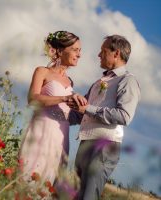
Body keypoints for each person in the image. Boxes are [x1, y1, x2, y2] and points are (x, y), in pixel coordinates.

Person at [68, 35, 141, 200]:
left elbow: (124, 116)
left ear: (116, 54)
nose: (99, 55)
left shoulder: (128, 81)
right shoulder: (99, 81)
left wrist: (87, 108)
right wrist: (58, 116)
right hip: (85, 143)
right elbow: (82, 113)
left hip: (104, 147)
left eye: (103, 51)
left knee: (88, 196)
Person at [18, 31, 87, 186]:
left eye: (80, 50)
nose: (79, 54)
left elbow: (70, 115)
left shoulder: (70, 82)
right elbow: (32, 99)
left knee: (48, 186)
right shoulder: (42, 71)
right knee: (28, 180)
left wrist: (83, 109)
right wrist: (64, 98)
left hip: (61, 138)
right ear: (60, 51)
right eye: (75, 50)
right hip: (40, 133)